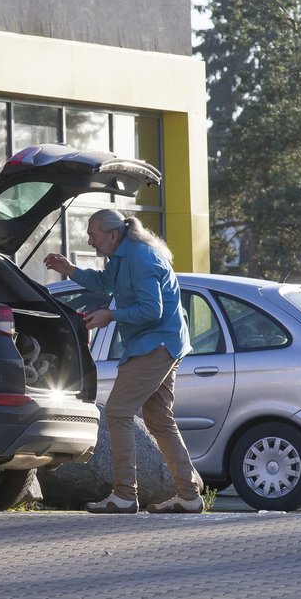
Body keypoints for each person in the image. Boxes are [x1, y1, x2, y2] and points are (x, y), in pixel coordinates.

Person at [44, 209, 204, 514]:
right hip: (164, 343)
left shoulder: (141, 258)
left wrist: (111, 315)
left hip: (154, 345)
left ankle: (124, 495)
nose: (90, 241)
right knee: (158, 419)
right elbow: (106, 282)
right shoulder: (124, 255)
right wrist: (71, 269)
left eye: (93, 234)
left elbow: (152, 310)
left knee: (117, 412)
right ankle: (189, 495)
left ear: (113, 234)